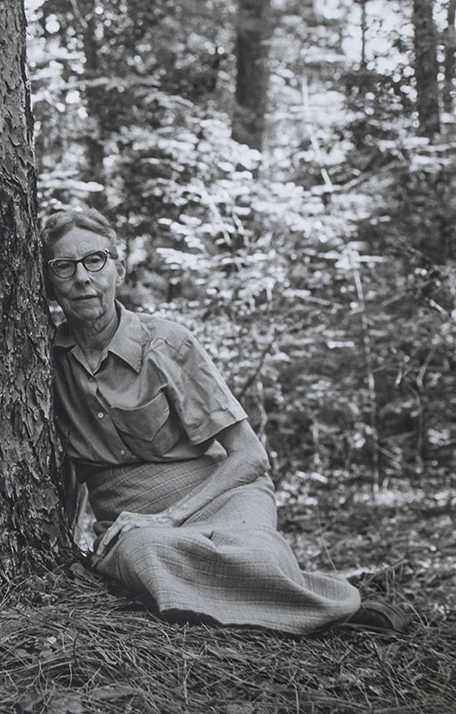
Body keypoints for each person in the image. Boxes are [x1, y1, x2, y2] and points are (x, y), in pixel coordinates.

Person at [42, 208, 406, 634]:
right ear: (50, 283)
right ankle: (314, 611)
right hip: (132, 517)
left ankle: (331, 607)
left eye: (95, 260)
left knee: (258, 556)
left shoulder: (167, 344)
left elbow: (250, 456)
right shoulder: (43, 360)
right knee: (147, 555)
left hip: (220, 491)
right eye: (64, 267)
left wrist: (173, 516)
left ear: (118, 269)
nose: (83, 278)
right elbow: (61, 469)